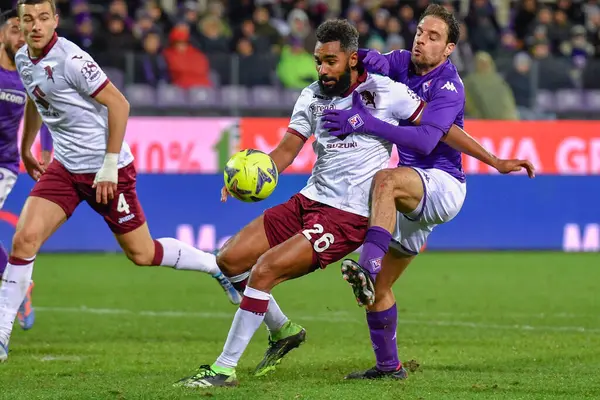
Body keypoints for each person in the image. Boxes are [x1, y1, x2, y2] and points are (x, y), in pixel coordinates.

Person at [175, 18, 429, 388]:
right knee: (229, 259)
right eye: (318, 61)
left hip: (349, 215)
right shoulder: (311, 95)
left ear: (353, 59)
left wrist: (437, 175)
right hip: (309, 199)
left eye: (331, 61)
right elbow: (287, 150)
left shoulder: (386, 92)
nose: (323, 70)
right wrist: (248, 174)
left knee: (263, 271)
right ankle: (283, 330)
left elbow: (430, 128)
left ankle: (223, 369)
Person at [0, 0, 240, 363]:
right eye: (28, 19)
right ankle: (2, 335)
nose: (35, 26)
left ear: (56, 21)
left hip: (107, 170)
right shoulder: (22, 58)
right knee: (24, 239)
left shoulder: (72, 60)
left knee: (142, 254)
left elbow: (120, 104)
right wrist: (27, 147)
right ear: (19, 21)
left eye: (43, 18)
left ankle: (214, 266)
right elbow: (36, 99)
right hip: (65, 167)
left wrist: (109, 165)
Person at [322, 4, 535, 380]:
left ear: (449, 48)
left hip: (441, 184)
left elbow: (425, 141)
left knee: (383, 181)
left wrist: (368, 122)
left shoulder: (449, 86)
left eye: (434, 36)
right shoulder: (402, 62)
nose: (422, 38)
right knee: (376, 291)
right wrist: (346, 59)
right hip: (411, 194)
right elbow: (369, 60)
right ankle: (390, 367)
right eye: (421, 31)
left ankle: (367, 264)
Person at [0, 8, 53, 332]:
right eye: (15, 29)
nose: (22, 37)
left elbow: (47, 112)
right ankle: (17, 283)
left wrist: (44, 152)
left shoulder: (27, 74)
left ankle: (15, 288)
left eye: (25, 31)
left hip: (3, 164)